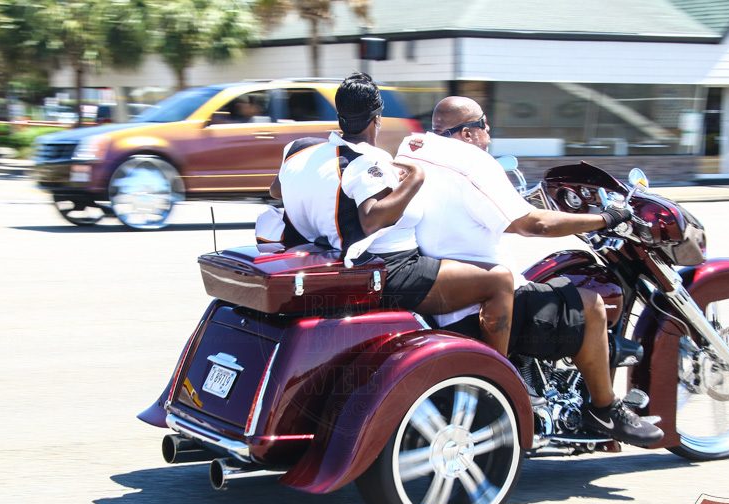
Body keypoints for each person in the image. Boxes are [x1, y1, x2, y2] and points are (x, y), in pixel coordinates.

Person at [395, 96, 663, 447]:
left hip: (437, 290)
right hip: (480, 304)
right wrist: (605, 218)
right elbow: (533, 224)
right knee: (592, 305)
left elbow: (472, 208)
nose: (488, 133)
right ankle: (604, 409)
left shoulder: (413, 148)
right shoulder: (475, 162)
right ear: (467, 134)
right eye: (484, 125)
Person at [268, 73, 516, 356]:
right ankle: (499, 373)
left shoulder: (299, 149)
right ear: (377, 118)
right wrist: (415, 178)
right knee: (499, 281)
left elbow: (277, 190)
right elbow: (372, 219)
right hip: (395, 269)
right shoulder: (368, 160)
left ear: (340, 114)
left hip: (335, 258)